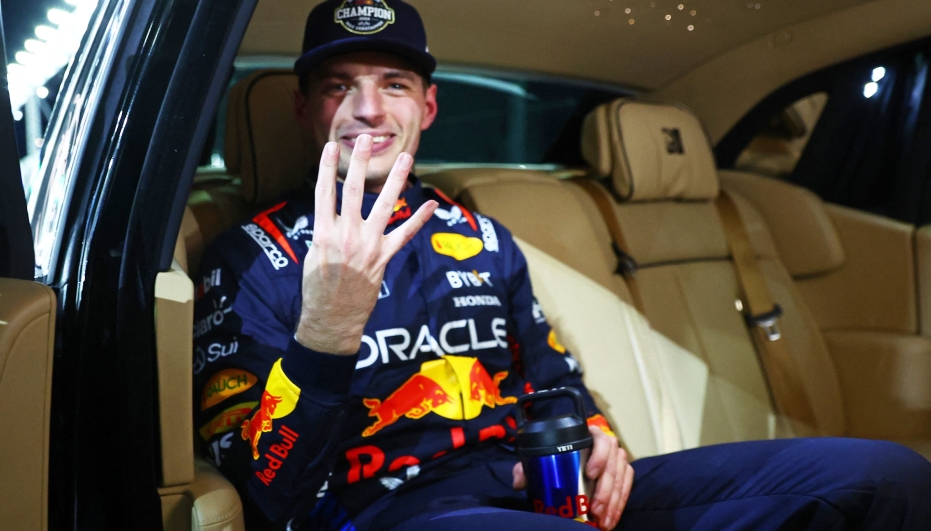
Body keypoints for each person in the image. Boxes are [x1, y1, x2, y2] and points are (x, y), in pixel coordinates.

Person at [192, 1, 931, 530]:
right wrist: (326, 329)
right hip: (386, 510)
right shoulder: (248, 259)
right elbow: (266, 497)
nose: (368, 109)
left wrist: (595, 438)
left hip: (539, 483)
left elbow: (555, 383)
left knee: (886, 479)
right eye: (337, 86)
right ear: (304, 110)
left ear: (429, 106)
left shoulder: (479, 235)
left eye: (394, 84)